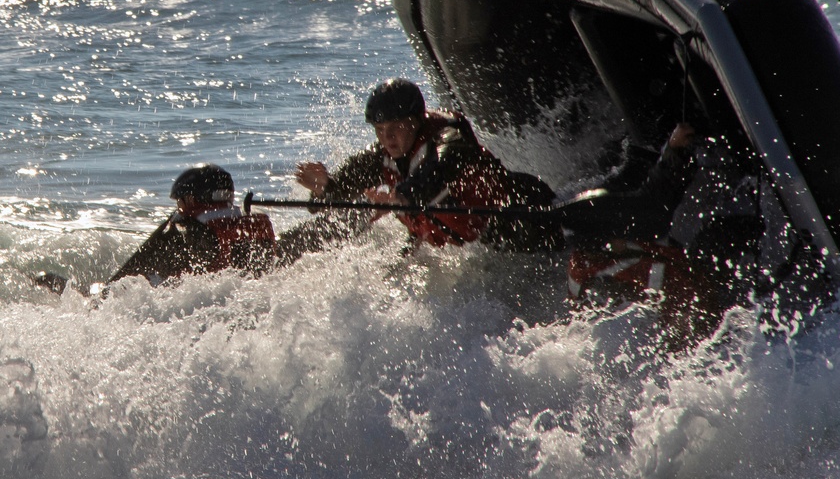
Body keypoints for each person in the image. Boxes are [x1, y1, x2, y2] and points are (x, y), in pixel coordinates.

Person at [275, 78, 562, 264]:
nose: (387, 138)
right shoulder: (383, 154)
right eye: (380, 130)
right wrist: (326, 189)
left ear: (416, 121)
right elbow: (343, 190)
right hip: (477, 245)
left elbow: (440, 167)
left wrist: (402, 194)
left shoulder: (449, 137)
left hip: (524, 219)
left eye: (396, 127)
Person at [564, 122, 728, 349]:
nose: (627, 223)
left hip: (670, 324)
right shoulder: (616, 273)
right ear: (613, 243)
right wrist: (675, 151)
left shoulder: (587, 258)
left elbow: (647, 203)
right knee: (722, 234)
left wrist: (673, 151)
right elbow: (652, 205)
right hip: (701, 324)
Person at [106, 163, 277, 287]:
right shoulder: (255, 223)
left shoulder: (183, 231)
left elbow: (134, 273)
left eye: (179, 202)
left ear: (189, 199)